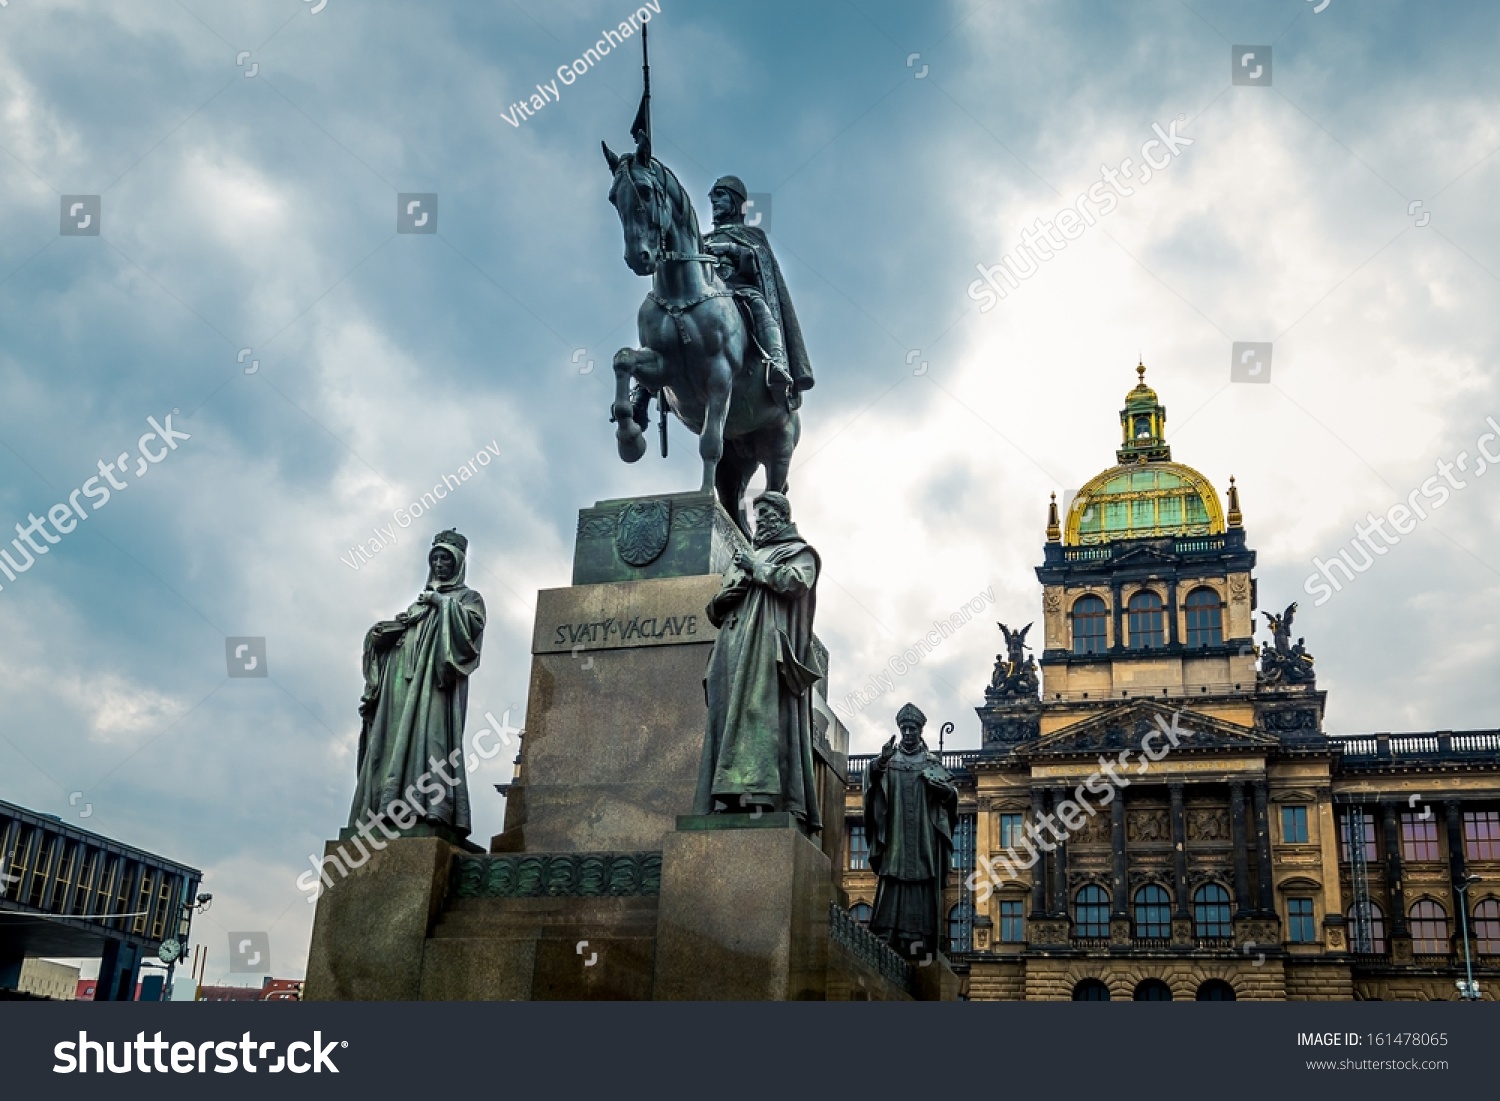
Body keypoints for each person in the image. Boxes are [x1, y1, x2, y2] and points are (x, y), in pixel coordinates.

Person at [694, 491, 822, 830]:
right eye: (757, 513)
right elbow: (717, 608)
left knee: (759, 717)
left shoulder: (800, 553)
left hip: (764, 649)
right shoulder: (747, 555)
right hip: (732, 649)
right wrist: (720, 602)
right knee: (725, 720)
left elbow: (796, 582)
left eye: (766, 512)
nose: (760, 519)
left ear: (782, 515)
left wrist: (759, 568)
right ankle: (725, 796)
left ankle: (764, 796)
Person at [349, 530, 486, 837]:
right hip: (402, 686)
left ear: (459, 562)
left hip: (435, 684)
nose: (439, 564)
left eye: (445, 558)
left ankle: (432, 806)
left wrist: (441, 603)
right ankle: (387, 806)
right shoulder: (417, 603)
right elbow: (403, 631)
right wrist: (383, 634)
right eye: (435, 558)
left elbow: (471, 632)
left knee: (433, 740)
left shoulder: (468, 598)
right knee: (394, 742)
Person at [704, 175, 815, 407]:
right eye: (712, 198)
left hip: (739, 291)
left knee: (759, 307)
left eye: (720, 196)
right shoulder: (702, 239)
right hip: (707, 294)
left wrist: (731, 249)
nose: (714, 202)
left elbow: (760, 260)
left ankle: (777, 364)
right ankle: (644, 388)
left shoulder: (751, 235)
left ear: (735, 202)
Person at [864, 702, 959, 959]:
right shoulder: (889, 761)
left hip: (923, 837)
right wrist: (880, 762)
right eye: (904, 728)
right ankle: (887, 933)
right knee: (893, 877)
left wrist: (945, 792)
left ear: (920, 730)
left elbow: (952, 794)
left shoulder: (931, 762)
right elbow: (871, 785)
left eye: (912, 728)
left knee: (921, 879)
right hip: (895, 834)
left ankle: (921, 938)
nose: (907, 733)